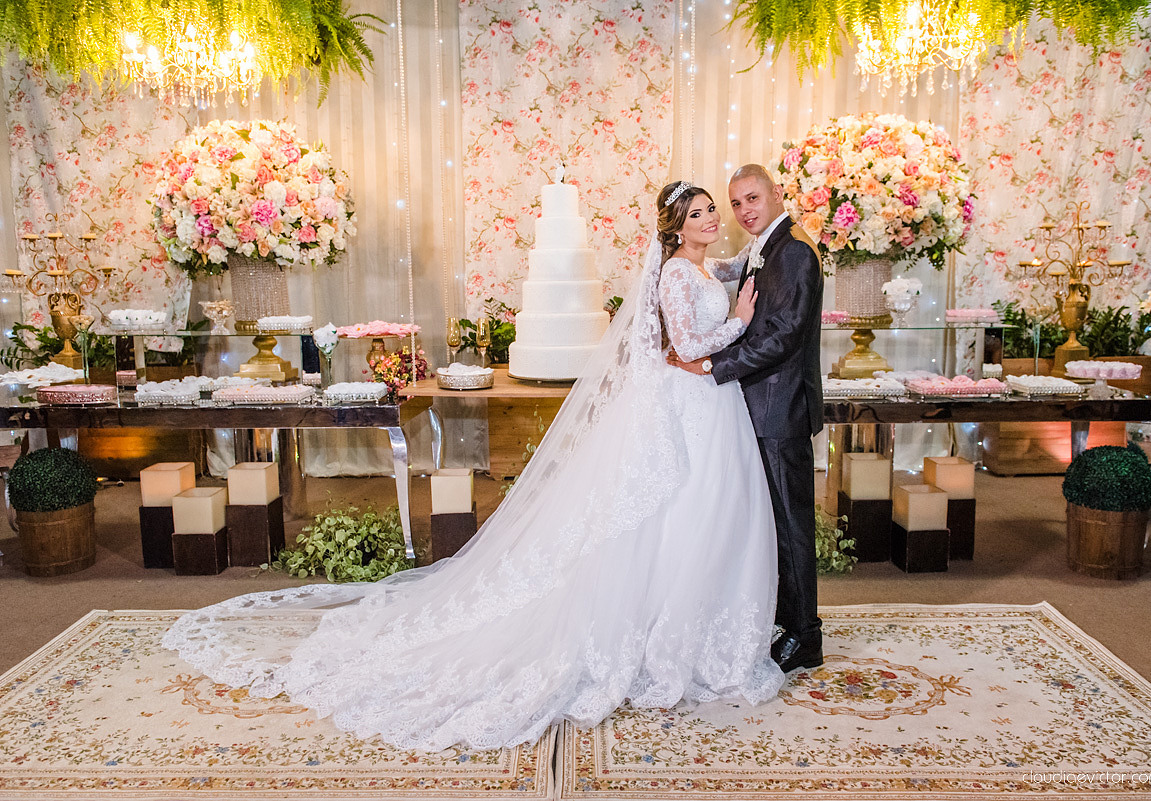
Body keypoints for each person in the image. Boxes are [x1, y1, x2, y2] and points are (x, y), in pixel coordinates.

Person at [163, 180, 785, 752]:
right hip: (693, 396)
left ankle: (691, 624)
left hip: (708, 403)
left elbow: (728, 268)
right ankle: (660, 632)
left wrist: (756, 253)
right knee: (678, 513)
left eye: (715, 210)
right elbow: (687, 344)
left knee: (700, 517)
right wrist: (739, 320)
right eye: (700, 212)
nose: (713, 219)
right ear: (676, 227)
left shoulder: (701, 267)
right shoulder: (678, 276)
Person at [669, 163, 825, 673]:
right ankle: (783, 621)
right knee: (770, 524)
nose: (743, 211)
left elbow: (782, 336)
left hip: (780, 409)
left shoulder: (795, 253)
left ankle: (807, 636)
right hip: (751, 408)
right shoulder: (763, 249)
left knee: (791, 524)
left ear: (777, 195)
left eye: (752, 199)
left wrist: (714, 365)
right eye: (735, 204)